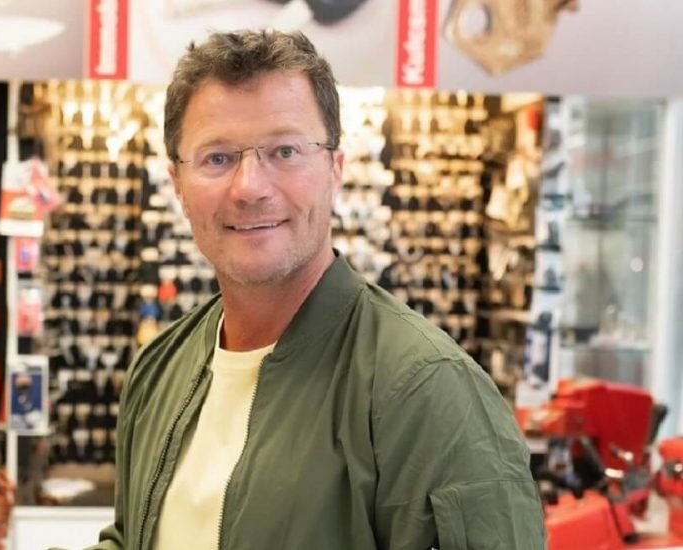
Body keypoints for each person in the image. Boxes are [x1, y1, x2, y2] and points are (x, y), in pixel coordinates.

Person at [59, 30, 545, 550]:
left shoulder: (424, 391)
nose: (250, 187)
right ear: (177, 184)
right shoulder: (161, 368)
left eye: (285, 151)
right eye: (217, 158)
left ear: (335, 169)